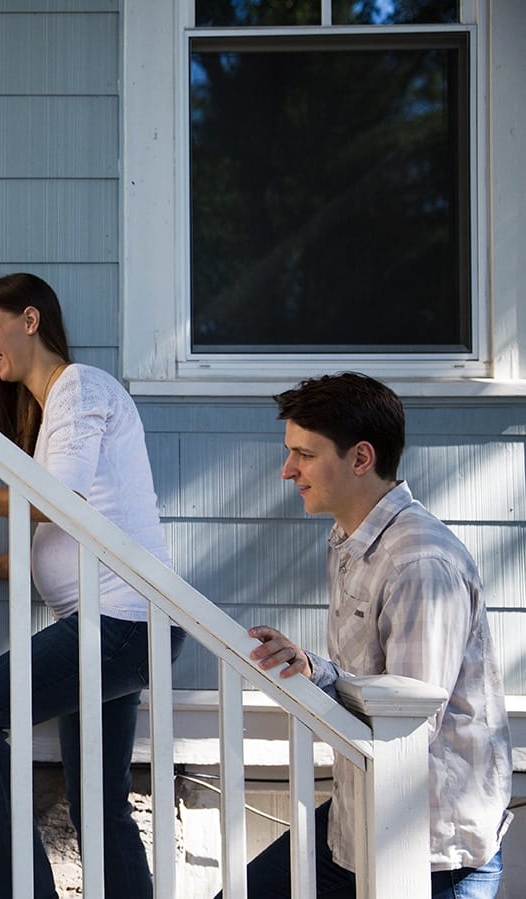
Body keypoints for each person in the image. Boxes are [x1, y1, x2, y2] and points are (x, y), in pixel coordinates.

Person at [0, 272, 185, 899]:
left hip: (118, 625)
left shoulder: (80, 387)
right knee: (99, 811)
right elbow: (79, 522)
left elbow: (59, 503)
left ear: (29, 320)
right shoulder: (56, 405)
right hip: (123, 627)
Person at [238, 372, 512, 898]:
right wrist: (309, 669)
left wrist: (319, 677)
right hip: (358, 821)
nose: (287, 470)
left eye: (305, 454)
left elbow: (407, 729)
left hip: (428, 851)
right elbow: (372, 683)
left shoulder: (419, 562)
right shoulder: (349, 537)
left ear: (361, 458)